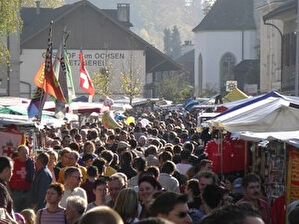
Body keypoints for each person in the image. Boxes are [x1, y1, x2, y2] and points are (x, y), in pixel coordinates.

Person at [9, 145, 35, 212]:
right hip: (15, 193)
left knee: (26, 213)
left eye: (27, 153)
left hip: (28, 193)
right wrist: (9, 191)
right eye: (23, 153)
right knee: (15, 213)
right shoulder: (12, 163)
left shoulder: (32, 164)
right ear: (18, 154)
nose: (25, 155)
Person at [0, 156, 16, 223]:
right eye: (11, 170)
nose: (12, 174)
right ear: (6, 170)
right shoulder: (1, 188)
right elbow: (2, 214)